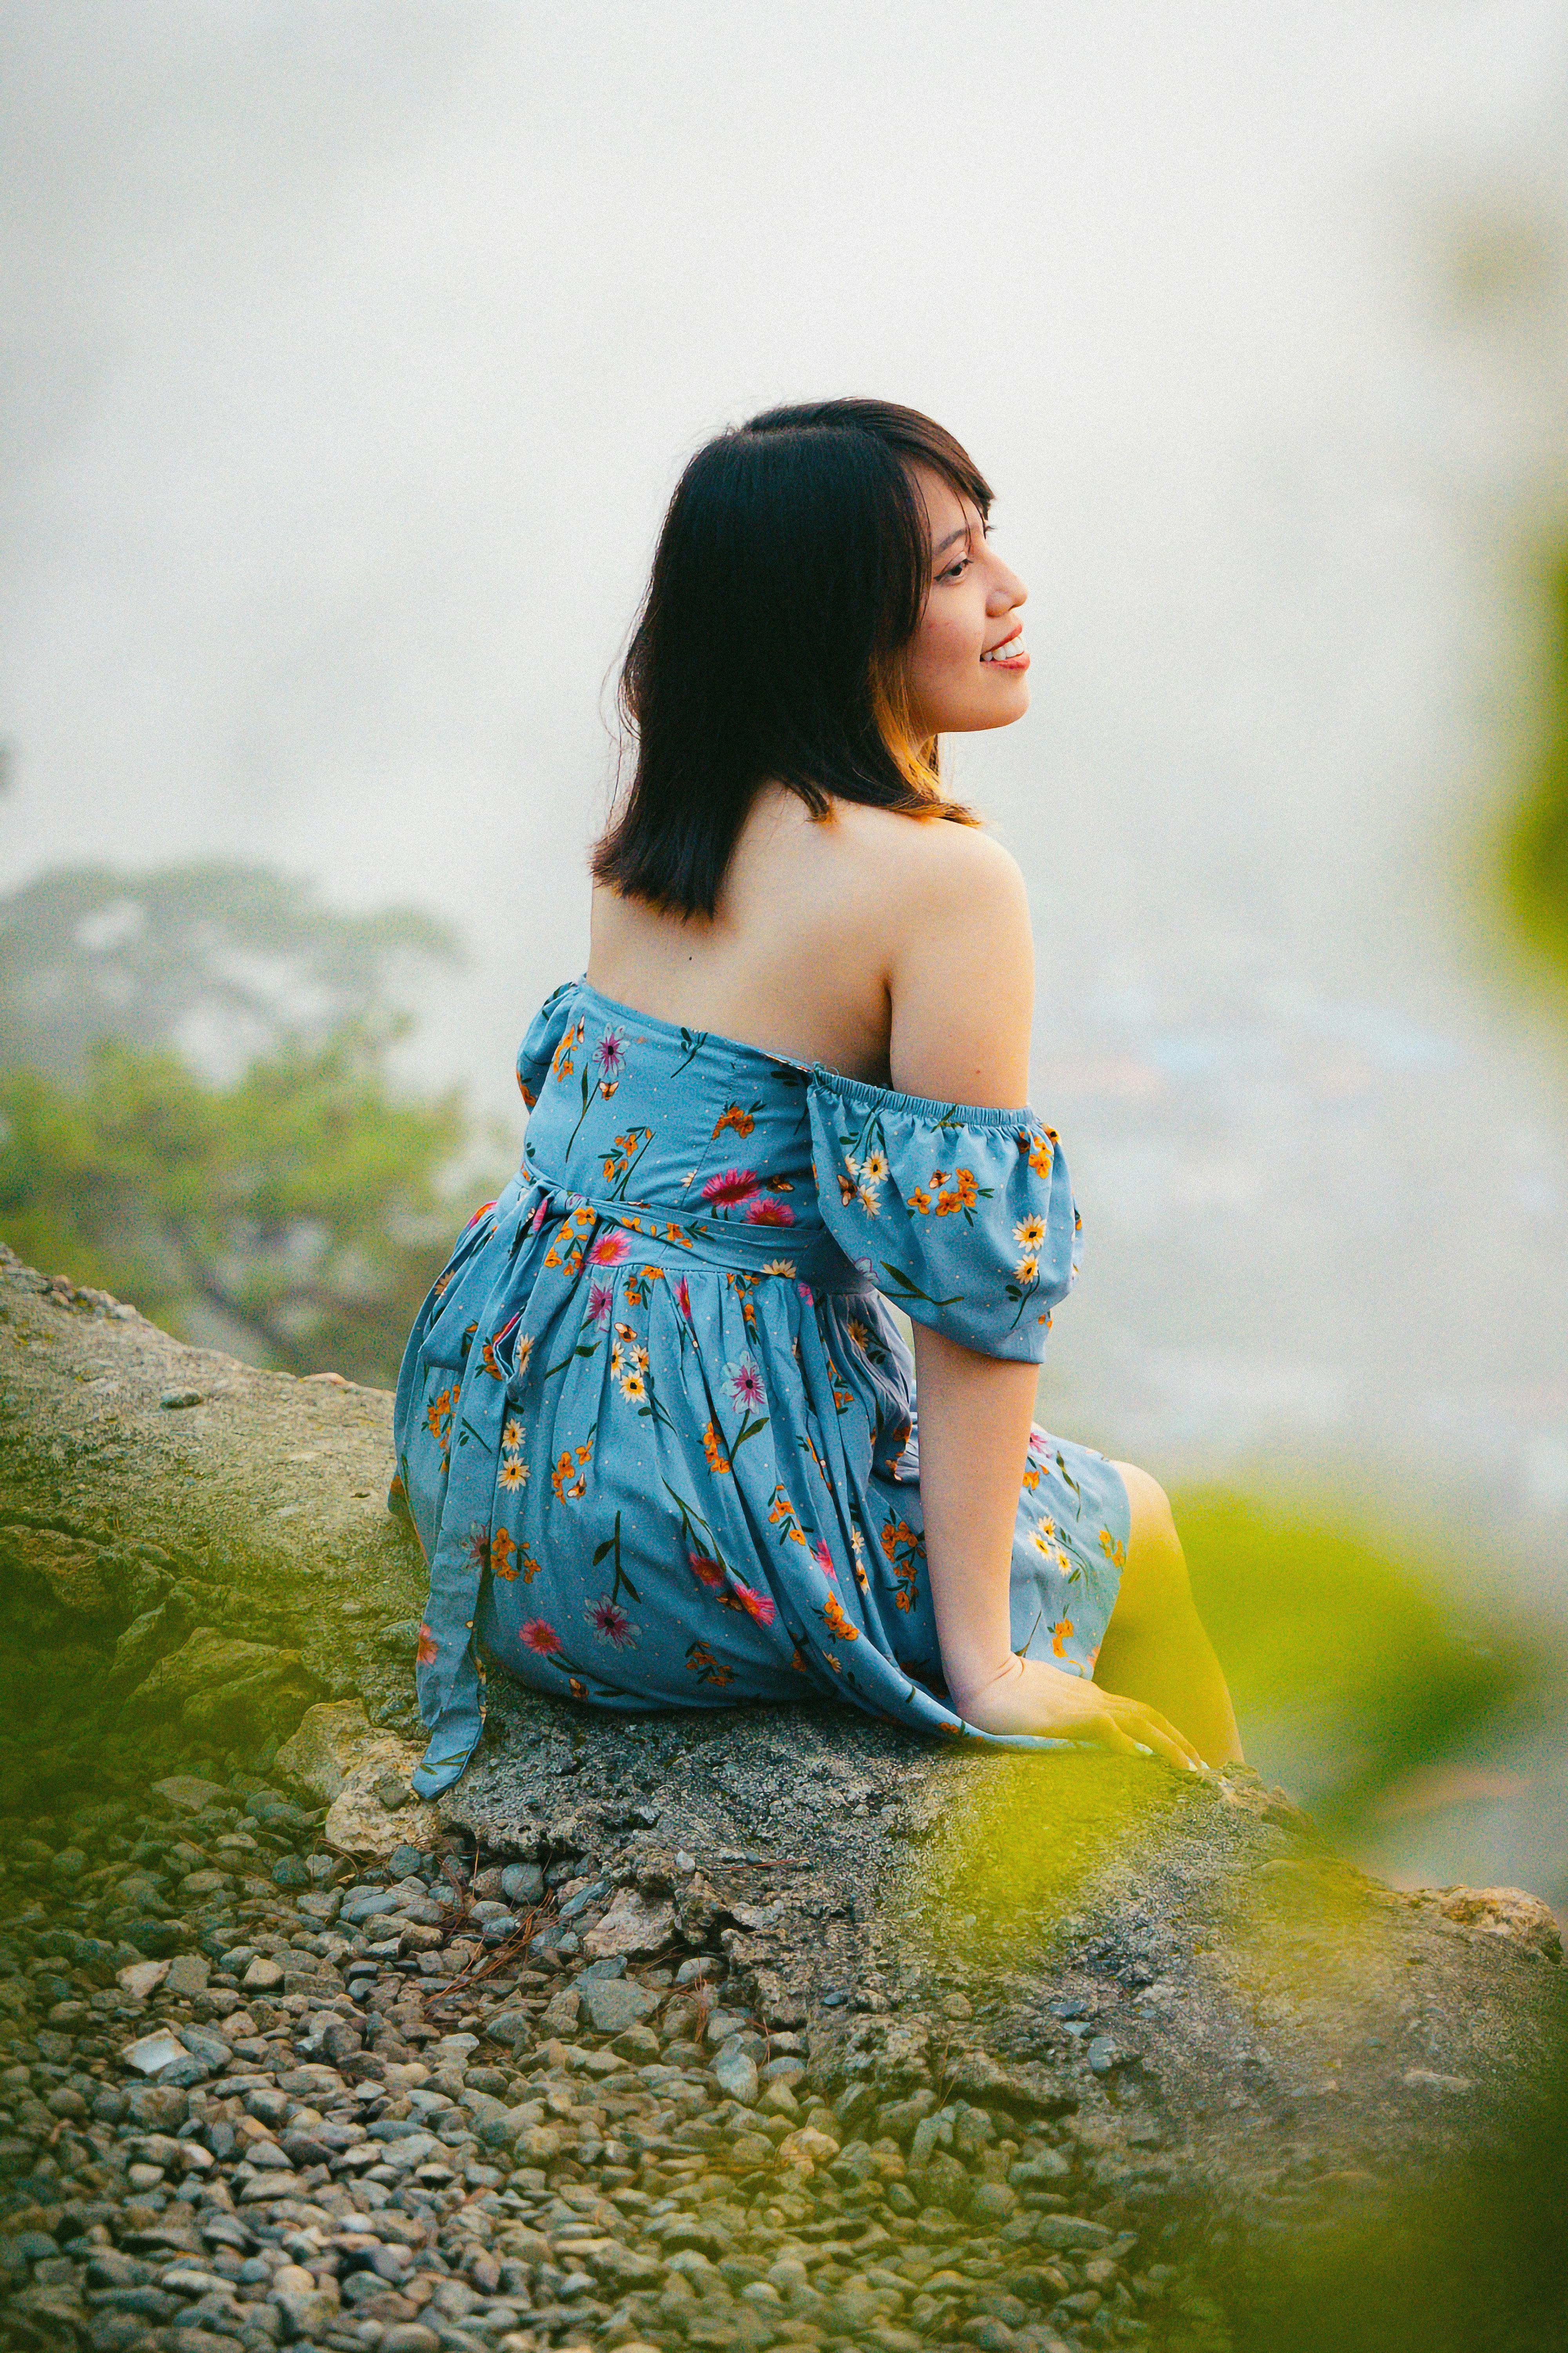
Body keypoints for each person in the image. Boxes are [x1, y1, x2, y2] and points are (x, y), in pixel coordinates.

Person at [393, 397, 1242, 1799]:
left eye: (990, 551)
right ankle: (1259, 1923)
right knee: (1137, 1524)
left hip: (488, 1454)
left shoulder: (660, 828)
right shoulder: (945, 882)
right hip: (658, 1529)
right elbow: (974, 1287)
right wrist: (984, 1660)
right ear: (831, 620)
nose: (1011, 595)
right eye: (957, 570)